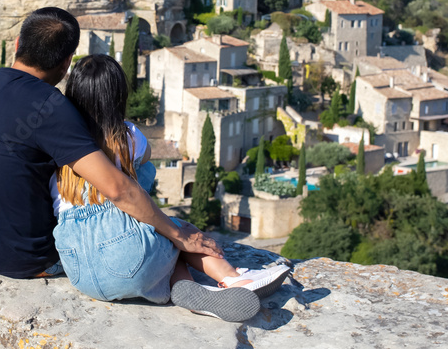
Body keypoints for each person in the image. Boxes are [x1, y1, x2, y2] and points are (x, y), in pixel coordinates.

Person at [0, 8, 276, 321]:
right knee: (160, 222)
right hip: (30, 261)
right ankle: (217, 279)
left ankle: (181, 285)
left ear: (18, 45)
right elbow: (118, 188)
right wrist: (180, 234)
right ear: (65, 64)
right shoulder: (51, 107)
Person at [51, 55, 290, 319]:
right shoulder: (129, 137)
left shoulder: (58, 146)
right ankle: (233, 278)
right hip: (126, 256)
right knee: (170, 223)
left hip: (79, 269)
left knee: (158, 227)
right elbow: (148, 155)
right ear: (118, 97)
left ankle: (185, 288)